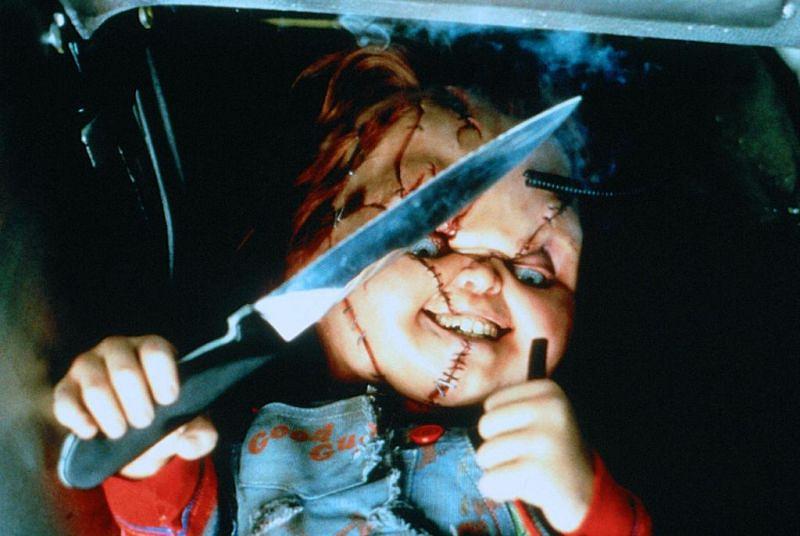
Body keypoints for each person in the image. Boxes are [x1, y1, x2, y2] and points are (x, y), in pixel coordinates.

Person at [53, 45, 651, 535]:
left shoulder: (550, 492)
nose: (484, 277)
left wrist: (585, 506)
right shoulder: (227, 456)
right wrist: (140, 428)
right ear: (310, 251)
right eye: (426, 241)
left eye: (534, 274)